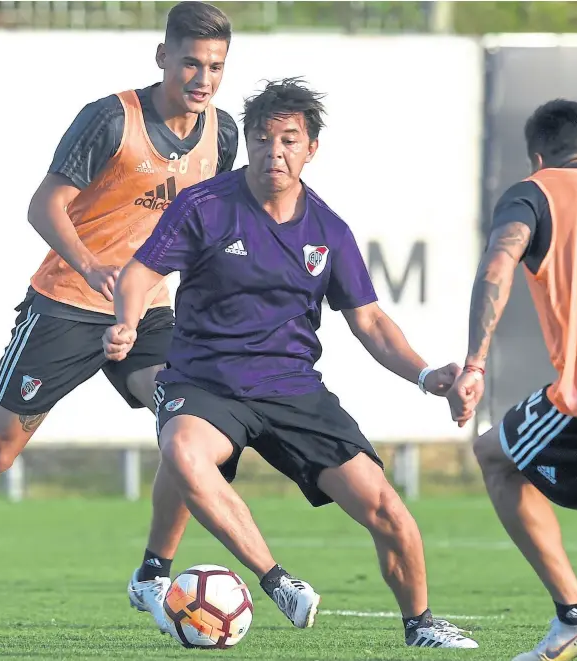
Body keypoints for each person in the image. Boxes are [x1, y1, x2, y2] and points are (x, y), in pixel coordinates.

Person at [103, 77, 479, 649]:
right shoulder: (204, 205)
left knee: (388, 510)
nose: (273, 153)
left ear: (310, 149)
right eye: (261, 139)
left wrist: (429, 377)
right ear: (247, 142)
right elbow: (138, 274)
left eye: (287, 141)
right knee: (182, 451)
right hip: (205, 382)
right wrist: (128, 320)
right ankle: (275, 579)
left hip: (291, 389)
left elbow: (371, 322)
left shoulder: (328, 230)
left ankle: (421, 626)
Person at [0, 0, 237, 628]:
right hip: (67, 306)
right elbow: (42, 206)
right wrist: (88, 265)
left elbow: (212, 222)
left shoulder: (224, 132)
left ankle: (153, 574)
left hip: (150, 311)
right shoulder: (110, 119)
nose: (203, 79)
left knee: (187, 426)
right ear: (163, 57)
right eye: (191, 63)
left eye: (215, 67)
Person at [447, 99, 577, 661]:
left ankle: (576, 616)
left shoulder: (535, 190)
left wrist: (474, 364)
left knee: (494, 456)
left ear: (538, 155)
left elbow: (497, 264)